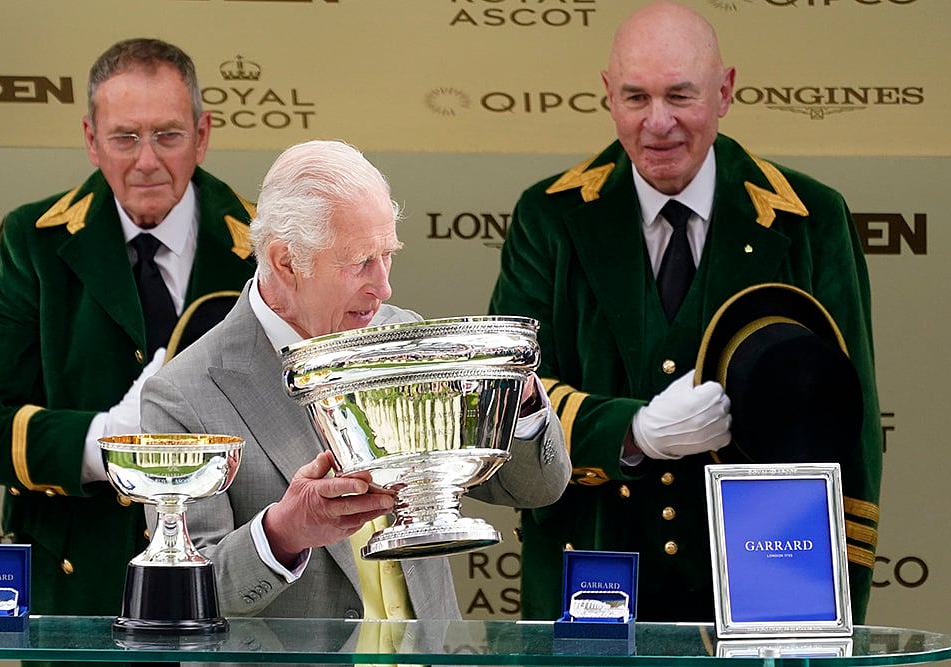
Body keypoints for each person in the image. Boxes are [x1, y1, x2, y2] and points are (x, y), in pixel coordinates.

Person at [489, 1, 881, 623]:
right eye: (636, 97)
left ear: (725, 91)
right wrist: (633, 431)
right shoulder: (549, 217)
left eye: (680, 95)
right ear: (608, 95)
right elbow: (506, 397)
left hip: (765, 579)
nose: (658, 123)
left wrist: (835, 614)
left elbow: (846, 432)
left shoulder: (811, 218)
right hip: (591, 574)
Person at [140, 139, 570, 623]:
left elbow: (535, 489)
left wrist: (522, 403)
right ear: (285, 262)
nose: (383, 287)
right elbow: (186, 597)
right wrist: (283, 533)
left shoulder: (403, 336)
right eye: (360, 261)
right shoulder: (183, 393)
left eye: (388, 255)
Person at [0, 37, 257, 622]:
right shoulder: (35, 243)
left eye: (167, 134)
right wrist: (107, 440)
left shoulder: (263, 242)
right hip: (80, 594)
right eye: (124, 137)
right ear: (92, 140)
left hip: (233, 587)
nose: (146, 161)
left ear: (203, 133)